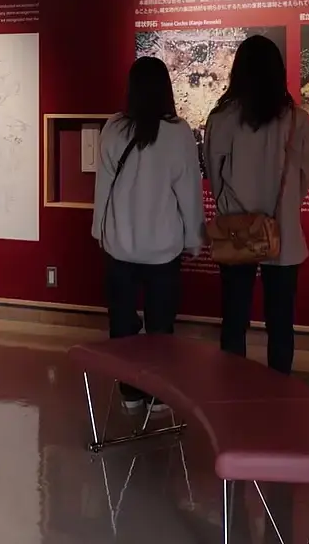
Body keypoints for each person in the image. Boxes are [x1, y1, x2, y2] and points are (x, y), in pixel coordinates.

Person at [92, 56, 205, 410]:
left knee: (122, 323)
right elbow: (188, 191)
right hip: (163, 248)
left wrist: (100, 231)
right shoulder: (179, 133)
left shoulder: (113, 128)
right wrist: (194, 239)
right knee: (160, 326)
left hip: (120, 245)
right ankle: (157, 394)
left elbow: (102, 188)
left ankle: (129, 391)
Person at [204, 35, 309, 375]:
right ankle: (278, 394)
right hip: (282, 233)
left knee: (234, 319)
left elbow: (212, 172)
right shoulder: (298, 120)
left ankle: (233, 389)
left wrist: (233, 203)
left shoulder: (222, 118)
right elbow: (305, 179)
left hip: (237, 231)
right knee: (281, 323)